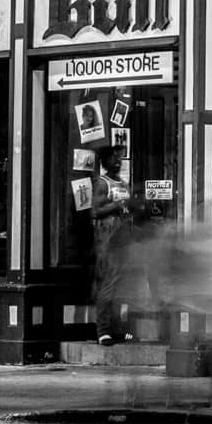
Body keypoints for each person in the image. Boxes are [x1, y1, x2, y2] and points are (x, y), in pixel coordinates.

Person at [91, 146, 135, 346]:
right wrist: (116, 205)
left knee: (122, 285)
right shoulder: (102, 183)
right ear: (104, 162)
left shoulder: (124, 184)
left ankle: (118, 328)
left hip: (123, 238)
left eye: (119, 158)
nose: (118, 161)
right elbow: (95, 210)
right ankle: (103, 330)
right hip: (107, 240)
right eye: (113, 158)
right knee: (108, 284)